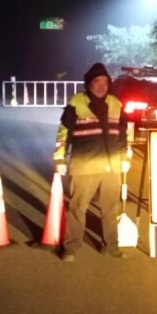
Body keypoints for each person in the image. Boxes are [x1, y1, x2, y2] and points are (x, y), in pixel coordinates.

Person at [53, 63, 130, 262]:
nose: (101, 86)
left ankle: (112, 245)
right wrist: (60, 157)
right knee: (78, 207)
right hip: (85, 164)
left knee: (111, 208)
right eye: (97, 82)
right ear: (89, 83)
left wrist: (125, 156)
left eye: (105, 82)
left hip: (111, 166)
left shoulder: (116, 103)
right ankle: (71, 247)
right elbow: (64, 132)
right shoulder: (77, 101)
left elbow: (123, 133)